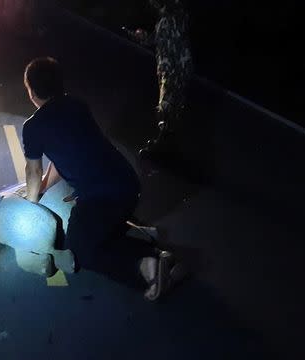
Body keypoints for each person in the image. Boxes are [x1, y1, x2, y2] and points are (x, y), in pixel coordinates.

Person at [21, 57, 184, 300]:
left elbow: (33, 172)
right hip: (128, 185)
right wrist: (45, 186)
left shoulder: (32, 127)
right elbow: (60, 157)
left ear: (31, 92)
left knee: (80, 251)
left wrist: (31, 202)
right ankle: (159, 254)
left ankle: (146, 266)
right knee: (100, 230)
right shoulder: (77, 105)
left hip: (103, 198)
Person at [138, 0, 193, 159]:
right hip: (172, 68)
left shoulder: (173, 15)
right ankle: (167, 147)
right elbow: (160, 40)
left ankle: (162, 150)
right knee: (171, 110)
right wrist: (144, 37)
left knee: (166, 110)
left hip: (174, 69)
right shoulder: (168, 17)